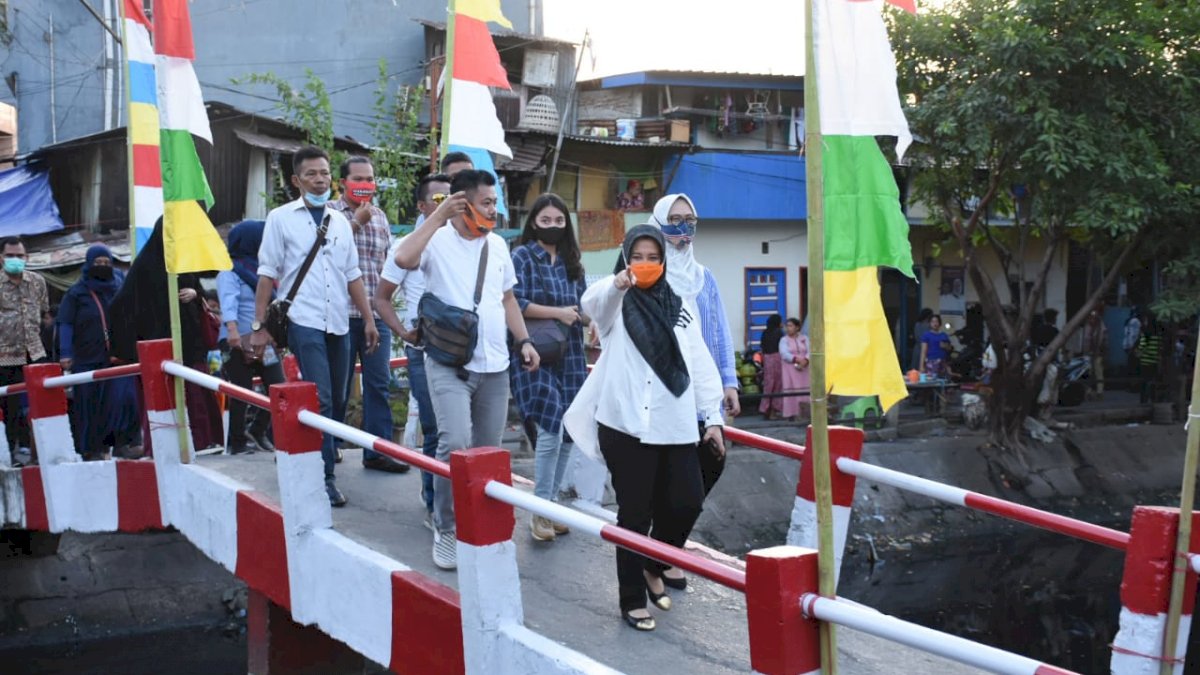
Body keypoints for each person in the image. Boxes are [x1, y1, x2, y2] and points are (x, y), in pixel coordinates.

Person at [563, 225, 724, 632]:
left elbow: (700, 365)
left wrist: (714, 418)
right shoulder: (615, 303)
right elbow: (590, 304)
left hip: (676, 424)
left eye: (654, 257)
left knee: (687, 501)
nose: (647, 265)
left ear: (664, 262)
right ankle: (632, 598)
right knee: (634, 515)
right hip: (625, 425)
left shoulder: (680, 305)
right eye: (639, 256)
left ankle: (655, 563)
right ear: (627, 258)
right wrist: (617, 283)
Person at [394, 169, 539, 570]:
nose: (494, 210)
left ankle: (482, 527)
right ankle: (446, 526)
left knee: (488, 452)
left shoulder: (497, 247)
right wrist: (439, 217)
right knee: (454, 442)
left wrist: (524, 340)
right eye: (487, 202)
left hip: (495, 364)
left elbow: (508, 299)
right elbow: (403, 259)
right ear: (464, 203)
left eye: (496, 202)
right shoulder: (437, 239)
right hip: (448, 362)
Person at [250, 145, 379, 508]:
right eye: (311, 174)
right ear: (296, 180)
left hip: (338, 320)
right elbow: (267, 274)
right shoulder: (280, 218)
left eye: (324, 173)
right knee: (320, 397)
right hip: (302, 320)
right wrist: (259, 326)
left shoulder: (340, 221)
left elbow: (352, 275)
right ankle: (324, 478)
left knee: (337, 399)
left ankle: (298, 450)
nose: (319, 179)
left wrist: (368, 319)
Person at [648, 193, 739, 590]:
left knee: (710, 465)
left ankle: (666, 548)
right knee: (669, 479)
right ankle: (659, 555)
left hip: (702, 396)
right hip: (663, 391)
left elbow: (718, 333)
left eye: (690, 220)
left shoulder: (704, 278)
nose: (683, 229)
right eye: (675, 220)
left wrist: (729, 382)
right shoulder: (650, 274)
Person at [510, 193, 589, 542]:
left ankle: (552, 505)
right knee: (550, 425)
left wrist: (592, 318)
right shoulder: (523, 256)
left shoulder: (573, 259)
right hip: (534, 350)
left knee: (569, 428)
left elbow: (583, 303)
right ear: (534, 223)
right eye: (546, 221)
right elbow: (515, 301)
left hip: (570, 351)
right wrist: (559, 312)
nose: (553, 227)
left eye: (559, 221)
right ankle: (540, 510)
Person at [374, 173, 451, 528]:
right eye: (439, 200)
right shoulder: (406, 247)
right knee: (435, 429)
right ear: (422, 206)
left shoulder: (470, 241)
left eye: (453, 197)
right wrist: (405, 332)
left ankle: (456, 503)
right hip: (424, 350)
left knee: (464, 433)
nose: (448, 204)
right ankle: (434, 504)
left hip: (466, 352)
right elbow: (381, 298)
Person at [109, 220, 224, 455]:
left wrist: (195, 293)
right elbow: (121, 306)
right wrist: (133, 344)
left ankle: (203, 442)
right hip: (159, 346)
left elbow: (199, 291)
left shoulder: (184, 263)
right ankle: (162, 448)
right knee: (163, 399)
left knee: (197, 394)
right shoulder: (145, 265)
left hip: (190, 345)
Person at [332, 156, 407, 473]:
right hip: (341, 314)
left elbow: (385, 264)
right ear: (342, 183)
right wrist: (355, 221)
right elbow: (328, 250)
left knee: (379, 384)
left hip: (375, 315)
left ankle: (377, 450)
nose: (365, 185)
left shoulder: (380, 216)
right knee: (339, 385)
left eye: (370, 179)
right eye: (358, 179)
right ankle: (330, 445)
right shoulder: (331, 213)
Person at [57, 245, 141, 460]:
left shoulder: (121, 284)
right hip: (88, 356)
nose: (103, 267)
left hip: (119, 355)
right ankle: (93, 449)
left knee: (125, 399)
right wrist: (66, 353)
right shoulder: (77, 292)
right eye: (97, 263)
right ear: (88, 264)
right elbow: (65, 323)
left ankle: (125, 444)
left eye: (106, 262)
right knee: (91, 405)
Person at [217, 220, 283, 455]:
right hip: (235, 339)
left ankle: (257, 429)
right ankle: (236, 443)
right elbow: (228, 302)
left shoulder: (264, 269)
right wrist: (233, 331)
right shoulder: (230, 270)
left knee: (279, 386)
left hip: (262, 339)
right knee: (241, 391)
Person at [1, 237, 48, 464]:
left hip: (35, 353)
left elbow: (44, 313)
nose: (15, 260)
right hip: (4, 357)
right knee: (10, 408)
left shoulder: (37, 282)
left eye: (20, 256)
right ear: (1, 257)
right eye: (10, 255)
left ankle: (39, 453)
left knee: (40, 404)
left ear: (27, 257)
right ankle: (10, 453)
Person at [778, 317, 811, 421]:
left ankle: (806, 413)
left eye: (790, 326)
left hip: (805, 368)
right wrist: (796, 360)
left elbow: (810, 350)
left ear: (797, 327)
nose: (788, 328)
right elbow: (784, 353)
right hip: (790, 368)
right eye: (787, 326)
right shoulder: (784, 340)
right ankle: (792, 413)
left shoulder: (804, 338)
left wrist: (806, 360)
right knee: (791, 388)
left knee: (806, 388)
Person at [757, 314, 784, 420]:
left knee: (768, 385)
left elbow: (762, 347)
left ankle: (765, 409)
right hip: (777, 359)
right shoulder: (779, 333)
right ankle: (774, 410)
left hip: (767, 359)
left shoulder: (765, 332)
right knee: (777, 385)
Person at [1080, 308, 1107, 398]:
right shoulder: (1086, 327)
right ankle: (1088, 391)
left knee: (1099, 372)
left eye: (1094, 317)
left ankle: (1100, 391)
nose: (1092, 319)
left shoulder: (1101, 327)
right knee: (1088, 373)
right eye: (1091, 317)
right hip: (1087, 353)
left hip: (1098, 353)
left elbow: (1104, 341)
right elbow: (1084, 340)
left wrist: (1102, 352)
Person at [919, 313, 951, 379]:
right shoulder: (926, 335)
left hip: (943, 362)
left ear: (939, 323)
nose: (935, 324)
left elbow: (949, 349)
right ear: (930, 323)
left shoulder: (944, 335)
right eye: (932, 322)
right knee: (932, 381)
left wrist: (945, 346)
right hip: (931, 362)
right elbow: (923, 352)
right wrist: (921, 366)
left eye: (936, 321)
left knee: (943, 381)